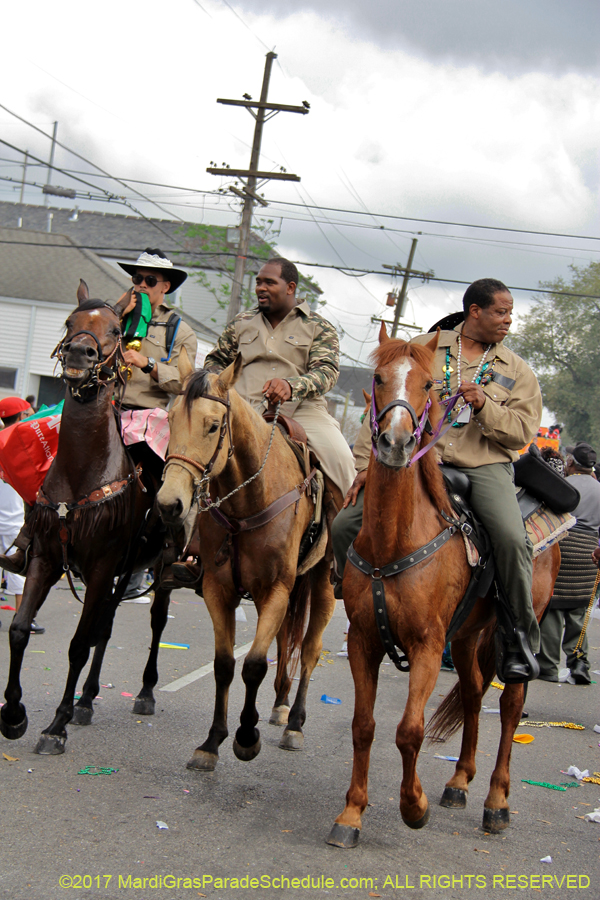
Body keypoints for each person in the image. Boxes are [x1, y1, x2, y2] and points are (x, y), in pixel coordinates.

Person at [332, 278, 543, 682]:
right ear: (475, 312)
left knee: (513, 540)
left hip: (481, 467)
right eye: (501, 311)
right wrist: (363, 466)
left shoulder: (516, 371)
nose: (508, 320)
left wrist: (484, 406)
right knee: (344, 524)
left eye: (510, 312)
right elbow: (384, 402)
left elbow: (521, 433)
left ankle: (518, 637)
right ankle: (354, 600)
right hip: (416, 461)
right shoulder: (425, 348)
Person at [0, 251, 197, 583]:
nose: (142, 286)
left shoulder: (179, 328)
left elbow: (184, 380)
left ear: (166, 287)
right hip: (100, 408)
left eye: (150, 281)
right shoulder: (110, 316)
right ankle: (28, 537)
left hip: (147, 413)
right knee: (42, 451)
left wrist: (146, 363)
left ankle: (178, 546)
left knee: (173, 471)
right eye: (137, 279)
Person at [204, 256, 356, 498]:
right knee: (191, 457)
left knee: (343, 461)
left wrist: (291, 385)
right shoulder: (241, 323)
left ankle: (343, 531)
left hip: (301, 411)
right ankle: (181, 527)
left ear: (290, 287)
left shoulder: (318, 326)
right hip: (240, 407)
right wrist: (217, 385)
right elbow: (215, 361)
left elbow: (327, 372)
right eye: (258, 283)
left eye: (269, 283)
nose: (260, 288)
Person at [538, 442, 600, 684]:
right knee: (579, 608)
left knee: (553, 606)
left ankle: (548, 667)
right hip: (588, 552)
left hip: (561, 548)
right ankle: (579, 663)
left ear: (571, 463)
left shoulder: (563, 484)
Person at [0, 397, 43, 632]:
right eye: (26, 414)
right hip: (13, 515)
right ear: (20, 417)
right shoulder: (21, 440)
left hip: (3, 512)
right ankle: (23, 617)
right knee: (19, 565)